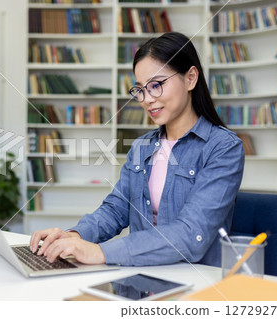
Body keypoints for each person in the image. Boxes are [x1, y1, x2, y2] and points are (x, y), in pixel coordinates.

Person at [30, 32, 245, 267]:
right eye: (140, 89)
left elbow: (192, 234)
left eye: (156, 85)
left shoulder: (223, 148)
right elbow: (116, 209)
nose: (146, 99)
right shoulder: (142, 147)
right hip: (138, 282)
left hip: (193, 285)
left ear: (190, 78)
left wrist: (100, 252)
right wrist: (75, 236)